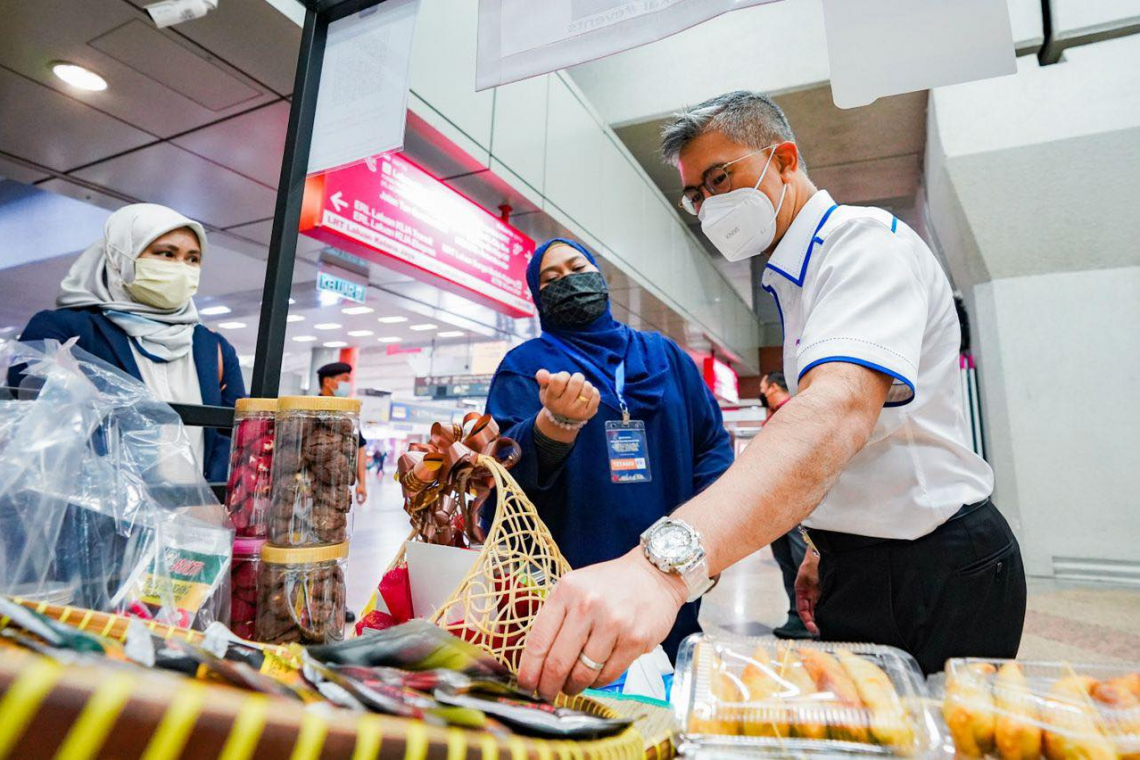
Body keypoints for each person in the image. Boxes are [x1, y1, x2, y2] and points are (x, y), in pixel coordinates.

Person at [517, 91, 1025, 700]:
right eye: (696, 195)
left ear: (784, 159)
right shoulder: (797, 278)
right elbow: (865, 441)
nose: (709, 206)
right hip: (860, 560)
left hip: (934, 562)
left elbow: (834, 413)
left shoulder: (864, 246)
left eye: (720, 178)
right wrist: (825, 542)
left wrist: (663, 568)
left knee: (936, 729)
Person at [486, 238, 734, 667]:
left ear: (599, 276)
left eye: (577, 267)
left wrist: (712, 533)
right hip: (572, 582)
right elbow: (501, 475)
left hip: (667, 572)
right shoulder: (526, 367)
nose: (568, 280)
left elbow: (711, 444)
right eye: (551, 278)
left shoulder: (666, 356)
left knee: (667, 677)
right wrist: (552, 427)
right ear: (538, 298)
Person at [14, 203, 245, 482]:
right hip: (97, 504)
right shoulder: (63, 331)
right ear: (119, 258)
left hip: (197, 506)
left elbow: (232, 436)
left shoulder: (214, 348)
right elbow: (32, 413)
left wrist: (208, 494)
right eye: (166, 253)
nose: (182, 267)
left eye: (193, 258)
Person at [759, 371, 811, 640]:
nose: (761, 393)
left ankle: (811, 618)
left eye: (763, 387)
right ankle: (796, 615)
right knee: (786, 561)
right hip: (776, 505)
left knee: (801, 561)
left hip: (795, 504)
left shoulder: (793, 412)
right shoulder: (773, 416)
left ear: (773, 387)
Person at [316, 361, 368, 504]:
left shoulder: (346, 414)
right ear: (327, 381)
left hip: (339, 484)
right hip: (314, 482)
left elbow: (360, 447)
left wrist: (362, 483)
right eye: (345, 380)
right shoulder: (311, 411)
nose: (348, 385)